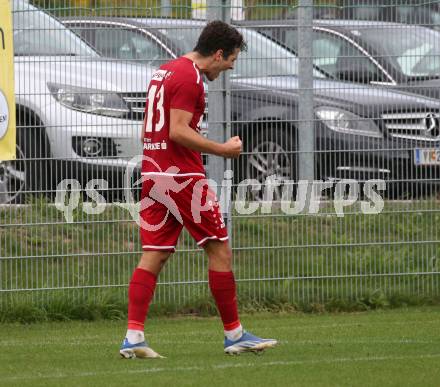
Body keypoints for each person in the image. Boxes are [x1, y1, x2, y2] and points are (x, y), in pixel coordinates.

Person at [120, 20, 277, 358]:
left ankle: (133, 338)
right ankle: (235, 334)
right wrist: (222, 149)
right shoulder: (190, 77)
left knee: (155, 254)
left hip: (154, 173)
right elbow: (177, 131)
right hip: (182, 177)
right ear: (218, 54)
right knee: (220, 249)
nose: (231, 66)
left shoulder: (165, 70)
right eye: (231, 59)